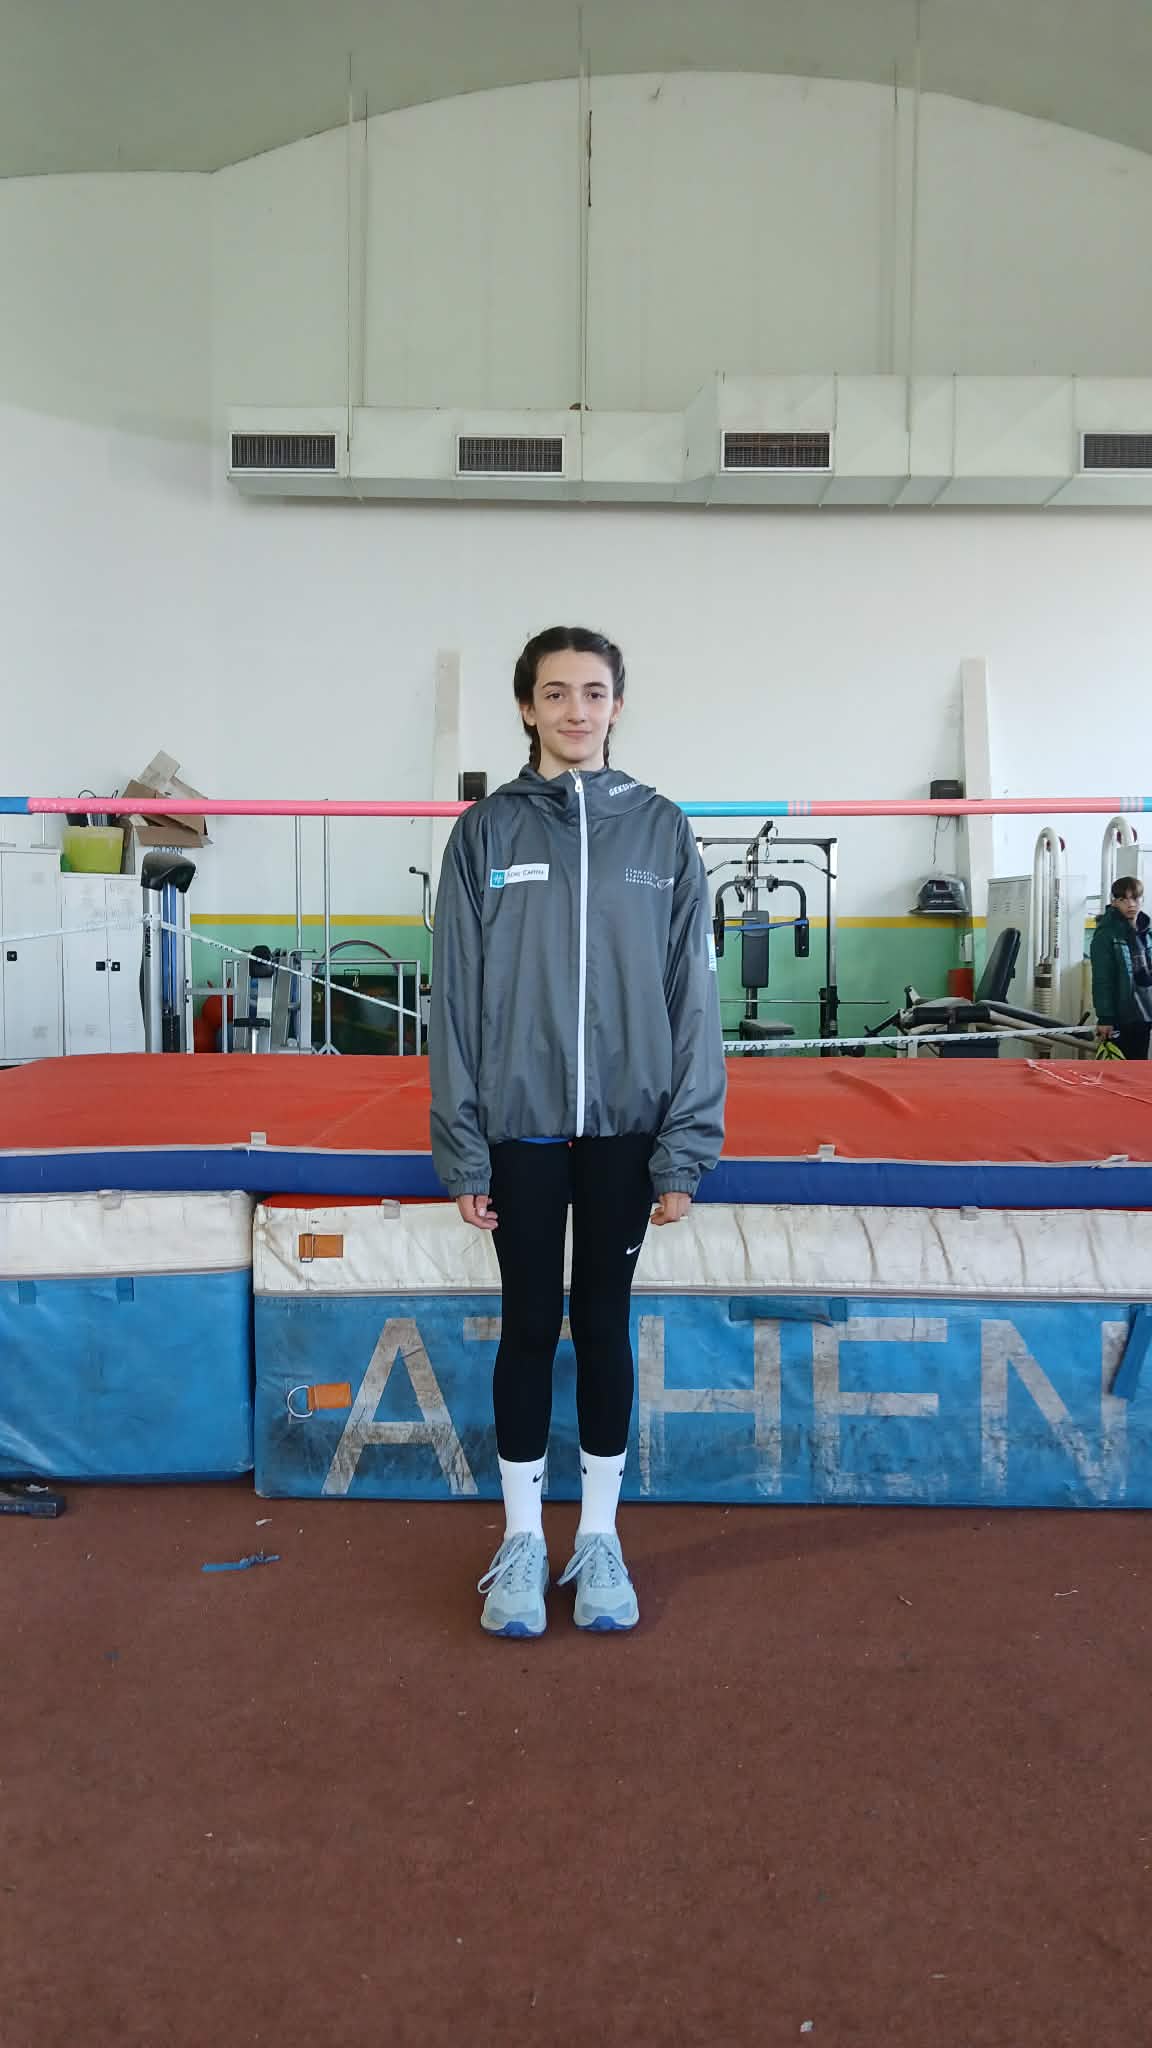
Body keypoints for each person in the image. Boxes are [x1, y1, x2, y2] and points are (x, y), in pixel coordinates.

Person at [429, 626, 727, 1637]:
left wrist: (684, 1145)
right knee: (527, 1324)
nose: (575, 710)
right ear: (526, 707)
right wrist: (463, 1145)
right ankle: (522, 1539)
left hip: (627, 1131)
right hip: (518, 1127)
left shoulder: (662, 830)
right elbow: (453, 1001)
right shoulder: (486, 833)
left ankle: (598, 1536)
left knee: (602, 1323)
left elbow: (693, 999)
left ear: (617, 706)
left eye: (593, 692)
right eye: (555, 692)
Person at [1091, 874, 1152, 1061]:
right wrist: (1105, 1018)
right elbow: (1102, 980)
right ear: (1114, 902)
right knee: (1119, 1070)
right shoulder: (1106, 935)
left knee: (1138, 1066)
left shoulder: (1146, 932)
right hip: (1122, 1016)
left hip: (1145, 1014)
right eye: (1123, 899)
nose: (1131, 904)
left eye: (1135, 898)